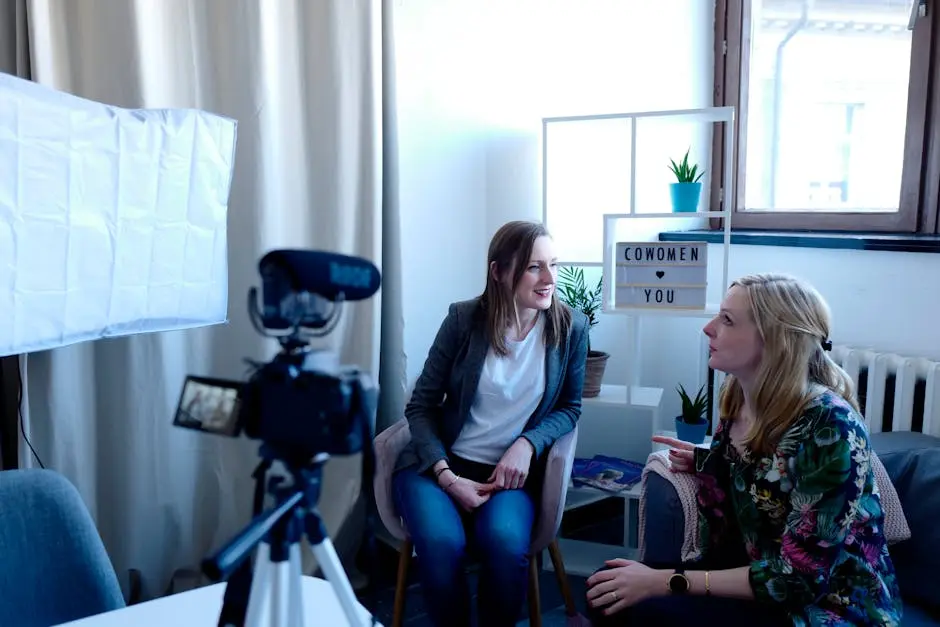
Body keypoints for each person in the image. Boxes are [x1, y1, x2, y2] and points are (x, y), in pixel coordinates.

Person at [585, 273, 903, 626]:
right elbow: (764, 471)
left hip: (820, 604)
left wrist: (665, 581)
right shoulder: (737, 396)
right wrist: (707, 461)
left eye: (727, 319)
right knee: (605, 587)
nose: (708, 328)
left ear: (775, 340)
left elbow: (799, 578)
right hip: (756, 573)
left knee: (640, 610)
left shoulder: (830, 426)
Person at [392, 220, 590, 627]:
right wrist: (447, 476)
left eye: (553, 264)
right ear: (499, 272)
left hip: (509, 476)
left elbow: (570, 407)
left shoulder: (571, 327)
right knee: (442, 544)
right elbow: (421, 406)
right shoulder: (464, 320)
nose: (550, 279)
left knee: (505, 544)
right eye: (534, 267)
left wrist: (527, 444)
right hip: (437, 467)